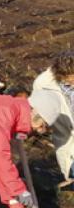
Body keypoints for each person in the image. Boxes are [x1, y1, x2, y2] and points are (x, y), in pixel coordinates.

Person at [31, 52, 74, 188]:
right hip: (64, 127)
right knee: (66, 151)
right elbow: (37, 108)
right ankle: (70, 177)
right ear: (60, 75)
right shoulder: (42, 83)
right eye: (71, 79)